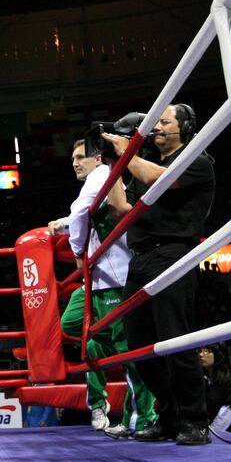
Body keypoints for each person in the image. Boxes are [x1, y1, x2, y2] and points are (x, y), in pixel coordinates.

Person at [104, 104, 215, 445]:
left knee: (175, 340)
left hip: (173, 254)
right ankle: (167, 416)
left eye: (165, 122)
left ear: (185, 127)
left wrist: (128, 153)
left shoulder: (197, 159)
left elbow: (159, 180)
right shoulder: (145, 167)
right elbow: (119, 209)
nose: (157, 128)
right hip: (141, 260)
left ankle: (194, 420)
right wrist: (113, 165)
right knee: (139, 345)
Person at [47, 140, 156, 436]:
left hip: (115, 277)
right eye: (71, 157)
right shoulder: (99, 178)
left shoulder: (102, 173)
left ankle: (144, 417)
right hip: (100, 281)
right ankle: (102, 403)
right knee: (89, 340)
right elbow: (86, 213)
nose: (74, 162)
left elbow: (83, 209)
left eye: (80, 156)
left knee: (126, 350)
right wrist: (66, 223)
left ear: (98, 159)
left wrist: (78, 252)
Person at [199, 344, 231, 433]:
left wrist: (211, 433)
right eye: (200, 351)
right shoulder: (203, 381)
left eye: (206, 351)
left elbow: (228, 413)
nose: (201, 355)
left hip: (225, 436)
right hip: (206, 435)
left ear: (217, 355)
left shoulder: (230, 382)